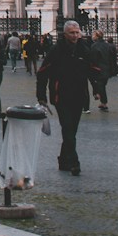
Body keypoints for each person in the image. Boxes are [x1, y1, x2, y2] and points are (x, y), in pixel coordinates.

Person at [37, 22, 93, 175]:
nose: (75, 36)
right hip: (60, 95)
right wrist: (41, 96)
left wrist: (97, 89)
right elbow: (42, 73)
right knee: (67, 128)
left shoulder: (84, 50)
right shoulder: (56, 50)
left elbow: (91, 71)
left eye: (77, 32)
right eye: (72, 33)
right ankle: (74, 162)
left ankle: (63, 159)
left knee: (71, 130)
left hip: (78, 95)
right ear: (65, 34)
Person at [86, 35, 113, 112]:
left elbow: (93, 58)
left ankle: (101, 100)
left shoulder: (94, 46)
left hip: (98, 68)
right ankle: (102, 101)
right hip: (107, 68)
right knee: (102, 85)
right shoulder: (107, 45)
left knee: (99, 85)